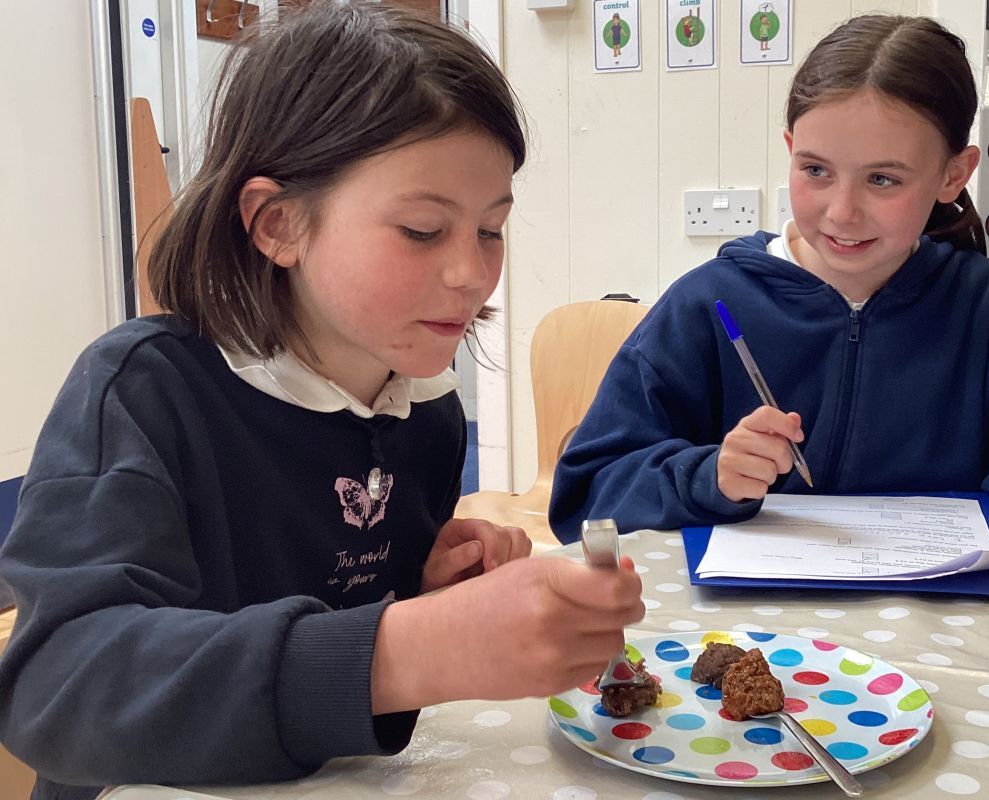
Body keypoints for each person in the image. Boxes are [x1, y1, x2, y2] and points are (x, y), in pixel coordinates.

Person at [0, 4, 643, 799]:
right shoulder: (142, 393)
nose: (472, 274)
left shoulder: (426, 416)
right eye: (420, 230)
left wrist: (427, 595)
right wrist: (407, 648)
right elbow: (58, 688)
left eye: (491, 230)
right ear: (278, 225)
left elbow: (341, 652)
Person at [549, 15, 989, 592]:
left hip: (948, 641)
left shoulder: (981, 308)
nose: (842, 211)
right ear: (789, 145)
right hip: (736, 645)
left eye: (883, 179)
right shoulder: (709, 303)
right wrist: (706, 476)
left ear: (953, 175)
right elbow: (588, 488)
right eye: (816, 170)